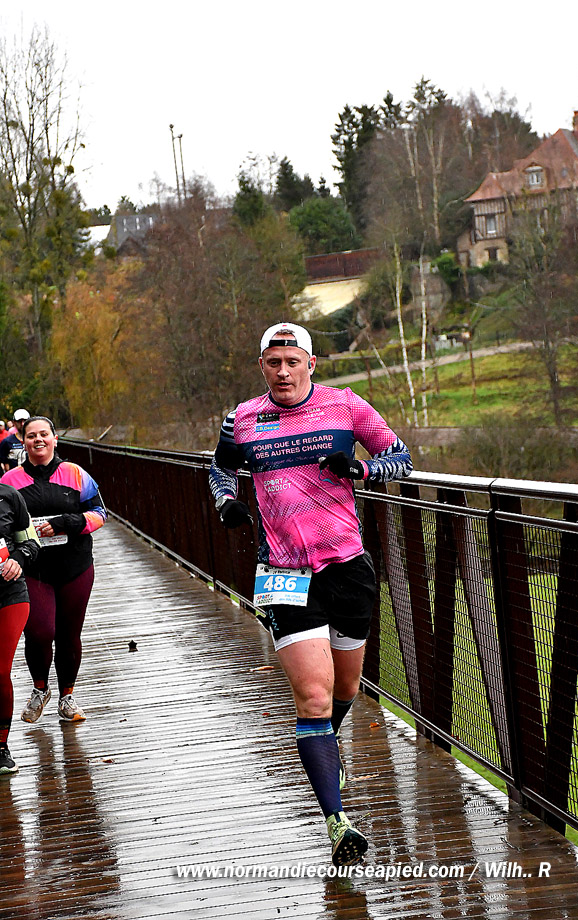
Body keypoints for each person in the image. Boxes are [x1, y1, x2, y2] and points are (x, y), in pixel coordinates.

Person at [209, 322, 413, 866]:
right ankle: (337, 822)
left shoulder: (346, 406)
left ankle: (326, 744)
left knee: (345, 687)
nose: (282, 371)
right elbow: (220, 468)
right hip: (282, 573)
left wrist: (361, 467)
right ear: (262, 366)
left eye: (292, 361)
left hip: (347, 568)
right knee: (314, 698)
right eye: (273, 362)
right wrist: (227, 500)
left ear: (310, 363)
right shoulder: (242, 417)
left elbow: (401, 457)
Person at [0, 416, 107, 723]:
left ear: (54, 438)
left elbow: (100, 513)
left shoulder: (75, 473)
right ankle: (40, 689)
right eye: (31, 435)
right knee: (40, 631)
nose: (38, 439)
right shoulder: (10, 481)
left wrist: (68, 522)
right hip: (34, 569)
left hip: (75, 565)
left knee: (69, 634)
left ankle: (67, 697)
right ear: (23, 442)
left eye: (44, 434)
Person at [0, 481, 40, 773]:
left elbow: (31, 542)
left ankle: (1, 746)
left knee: (0, 671)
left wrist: (18, 558)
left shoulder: (8, 495)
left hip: (9, 593)